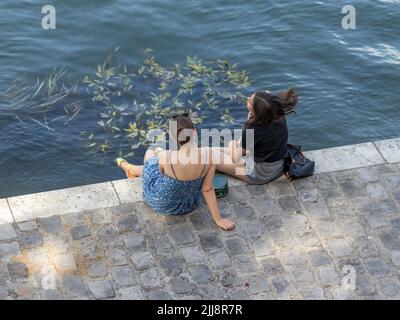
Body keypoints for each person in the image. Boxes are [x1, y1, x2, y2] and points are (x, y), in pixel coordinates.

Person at [116, 113, 235, 231]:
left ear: (173, 138)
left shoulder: (166, 156)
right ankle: (130, 167)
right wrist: (218, 219)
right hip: (188, 205)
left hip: (161, 202)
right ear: (194, 131)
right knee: (154, 159)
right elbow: (207, 189)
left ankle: (127, 167)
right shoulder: (209, 157)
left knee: (150, 154)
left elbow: (160, 174)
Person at [216, 88, 298, 184]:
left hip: (260, 173)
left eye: (250, 101)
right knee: (208, 150)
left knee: (209, 157)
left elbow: (236, 157)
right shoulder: (278, 116)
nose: (248, 98)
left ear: (256, 111)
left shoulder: (253, 128)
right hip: (279, 166)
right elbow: (248, 148)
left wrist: (232, 144)